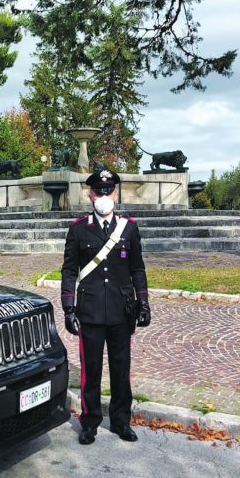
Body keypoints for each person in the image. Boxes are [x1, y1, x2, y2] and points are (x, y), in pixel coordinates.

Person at [60, 168, 151, 445]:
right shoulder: (77, 229)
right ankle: (90, 422)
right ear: (90, 195)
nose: (103, 195)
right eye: (98, 191)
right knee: (91, 370)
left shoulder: (130, 228)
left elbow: (137, 268)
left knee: (121, 369)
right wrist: (68, 308)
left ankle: (121, 421)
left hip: (123, 311)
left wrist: (143, 303)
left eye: (108, 191)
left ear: (115, 193)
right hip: (89, 310)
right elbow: (69, 271)